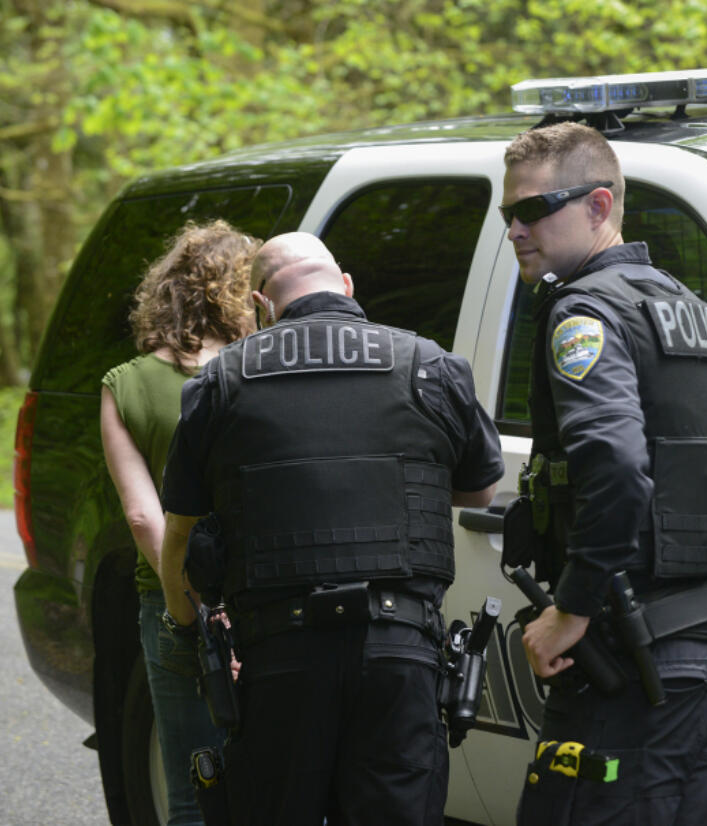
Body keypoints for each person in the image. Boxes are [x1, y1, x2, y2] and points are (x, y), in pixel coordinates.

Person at [503, 121, 707, 824]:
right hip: (703, 663)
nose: (515, 230)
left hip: (626, 661)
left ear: (598, 206)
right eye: (508, 213)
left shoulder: (584, 314)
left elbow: (617, 469)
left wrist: (572, 609)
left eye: (532, 209)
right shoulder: (693, 313)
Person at [156, 232, 504, 826]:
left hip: (280, 659)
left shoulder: (219, 384)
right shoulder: (430, 365)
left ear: (262, 306)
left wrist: (184, 628)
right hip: (400, 652)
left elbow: (182, 529)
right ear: (345, 285)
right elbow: (479, 489)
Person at [100, 219, 259, 826]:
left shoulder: (127, 385)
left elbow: (144, 516)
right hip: (272, 602)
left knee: (195, 790)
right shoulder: (258, 371)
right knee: (288, 780)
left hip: (176, 607)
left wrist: (192, 605)